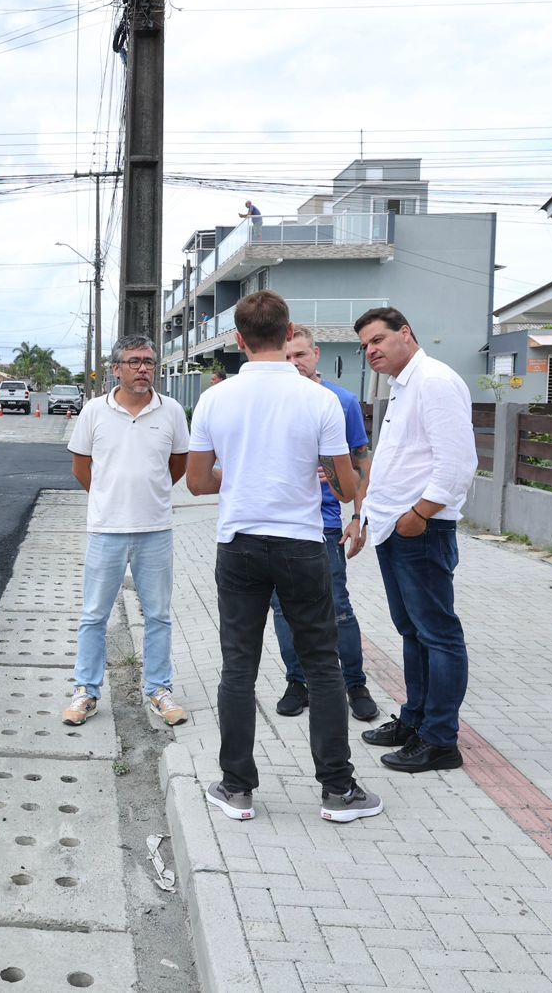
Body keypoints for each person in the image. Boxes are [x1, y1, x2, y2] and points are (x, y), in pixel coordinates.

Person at [186, 291, 381, 824]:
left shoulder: (214, 400)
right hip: (302, 544)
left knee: (238, 667)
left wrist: (241, 476)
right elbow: (345, 489)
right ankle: (338, 791)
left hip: (240, 544)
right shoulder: (318, 400)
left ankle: (237, 788)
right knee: (321, 664)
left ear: (239, 340)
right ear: (288, 330)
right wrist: (340, 476)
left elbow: (199, 482)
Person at [351, 307, 478, 774]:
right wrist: (370, 515)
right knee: (414, 632)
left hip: (420, 529)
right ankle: (416, 720)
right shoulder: (404, 385)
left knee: (439, 636)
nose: (372, 351)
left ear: (406, 333)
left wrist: (419, 514)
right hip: (395, 529)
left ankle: (441, 740)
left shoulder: (435, 382)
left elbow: (459, 464)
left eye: (379, 339)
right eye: (366, 345)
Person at [61, 336, 192, 729]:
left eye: (149, 362)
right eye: (134, 362)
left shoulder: (170, 411)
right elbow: (81, 467)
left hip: (155, 530)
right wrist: (109, 497)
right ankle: (85, 691)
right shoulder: (93, 412)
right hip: (107, 530)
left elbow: (178, 465)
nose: (143, 369)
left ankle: (159, 690)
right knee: (93, 615)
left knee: (158, 615)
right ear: (115, 368)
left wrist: (147, 495)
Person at [270, 325, 379, 723]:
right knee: (283, 609)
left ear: (315, 354)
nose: (294, 363)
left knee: (338, 608)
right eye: (286, 357)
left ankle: (355, 683)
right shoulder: (273, 401)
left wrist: (357, 516)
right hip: (279, 524)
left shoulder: (342, 400)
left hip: (326, 522)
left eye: (300, 355)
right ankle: (297, 681)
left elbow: (361, 461)